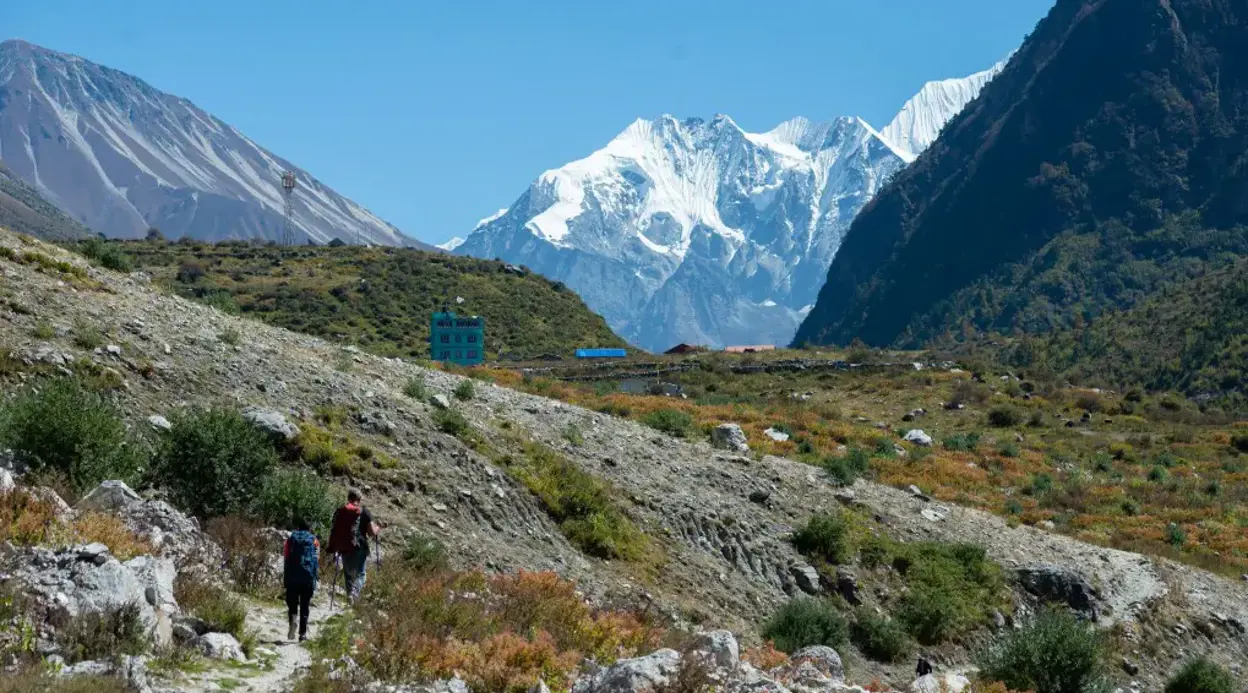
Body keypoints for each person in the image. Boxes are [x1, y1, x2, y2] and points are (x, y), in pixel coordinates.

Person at [328, 488, 380, 603]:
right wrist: (377, 529)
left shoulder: (340, 510)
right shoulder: (364, 511)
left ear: (348, 498)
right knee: (361, 574)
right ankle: (355, 593)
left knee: (348, 574)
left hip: (344, 546)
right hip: (359, 546)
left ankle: (350, 597)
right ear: (359, 499)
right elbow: (371, 532)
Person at [282, 517, 319, 642]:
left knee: (292, 602)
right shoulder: (314, 540)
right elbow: (316, 559)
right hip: (308, 577)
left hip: (292, 576)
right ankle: (302, 634)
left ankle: (293, 618)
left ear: (298, 527)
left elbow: (286, 557)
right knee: (305, 605)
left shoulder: (291, 539)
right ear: (310, 529)